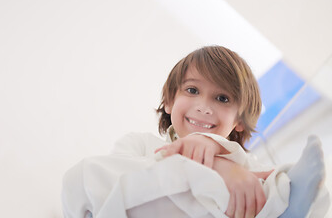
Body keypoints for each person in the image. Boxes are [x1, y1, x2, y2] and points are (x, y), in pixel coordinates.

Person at [62, 46, 330, 218]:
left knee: (278, 183)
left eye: (222, 99)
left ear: (239, 120)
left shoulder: (247, 165)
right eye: (192, 90)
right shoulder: (140, 144)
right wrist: (216, 165)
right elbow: (117, 187)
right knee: (85, 175)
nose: (204, 107)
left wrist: (224, 159)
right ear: (169, 101)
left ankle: (283, 208)